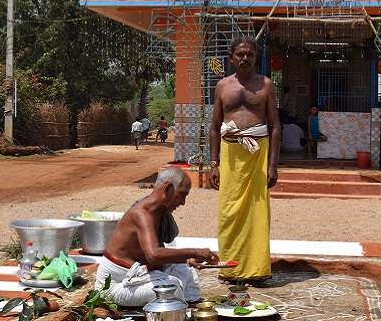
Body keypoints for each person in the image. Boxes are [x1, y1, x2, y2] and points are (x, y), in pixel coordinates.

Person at [209, 36, 281, 283]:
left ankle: (256, 268)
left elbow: (275, 126)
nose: (244, 58)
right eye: (240, 54)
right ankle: (230, 267)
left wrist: (272, 165)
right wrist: (214, 164)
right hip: (230, 155)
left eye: (249, 54)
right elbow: (214, 127)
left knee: (257, 213)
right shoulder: (222, 86)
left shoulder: (266, 85)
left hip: (257, 155)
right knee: (228, 211)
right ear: (231, 58)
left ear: (256, 57)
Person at [95, 167, 219, 306]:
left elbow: (159, 251)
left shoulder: (160, 211)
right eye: (182, 195)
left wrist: (188, 259)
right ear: (168, 189)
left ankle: (187, 308)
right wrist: (195, 252)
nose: (183, 202)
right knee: (172, 288)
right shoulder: (141, 214)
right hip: (115, 286)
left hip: (139, 274)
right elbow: (153, 255)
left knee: (186, 274)